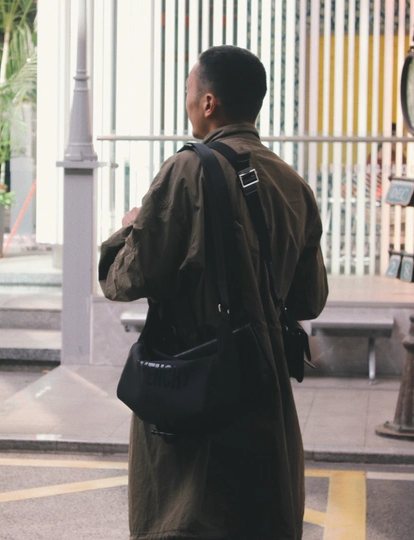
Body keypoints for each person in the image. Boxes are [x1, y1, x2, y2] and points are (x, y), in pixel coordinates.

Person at [99, 46, 328, 539]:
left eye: (188, 91)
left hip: (197, 388)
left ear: (208, 102)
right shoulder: (293, 184)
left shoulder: (187, 171)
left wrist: (130, 228)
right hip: (264, 390)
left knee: (186, 517)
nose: (186, 101)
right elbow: (309, 300)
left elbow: (125, 279)